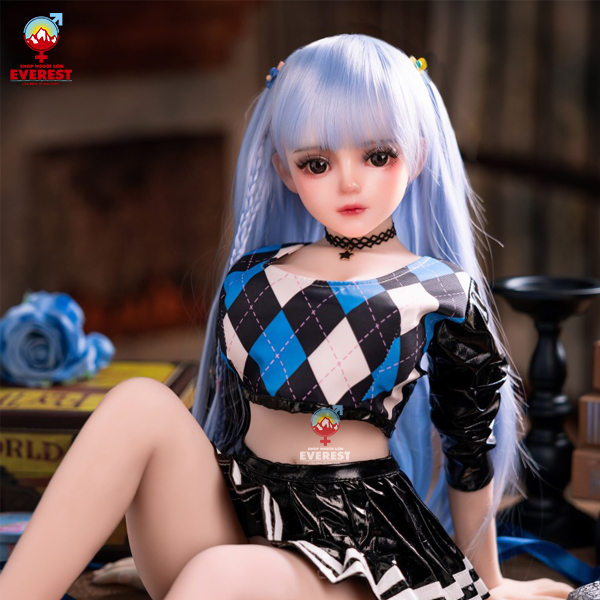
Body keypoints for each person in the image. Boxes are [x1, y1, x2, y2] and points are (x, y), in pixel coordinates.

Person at [0, 34, 574, 600]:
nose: (350, 182)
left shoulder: (438, 289)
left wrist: (489, 582)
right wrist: (161, 529)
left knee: (222, 572)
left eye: (378, 156)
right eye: (317, 163)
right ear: (284, 170)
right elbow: (225, 425)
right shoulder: (251, 277)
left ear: (418, 154)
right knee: (139, 403)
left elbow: (468, 445)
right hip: (239, 516)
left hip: (355, 545)